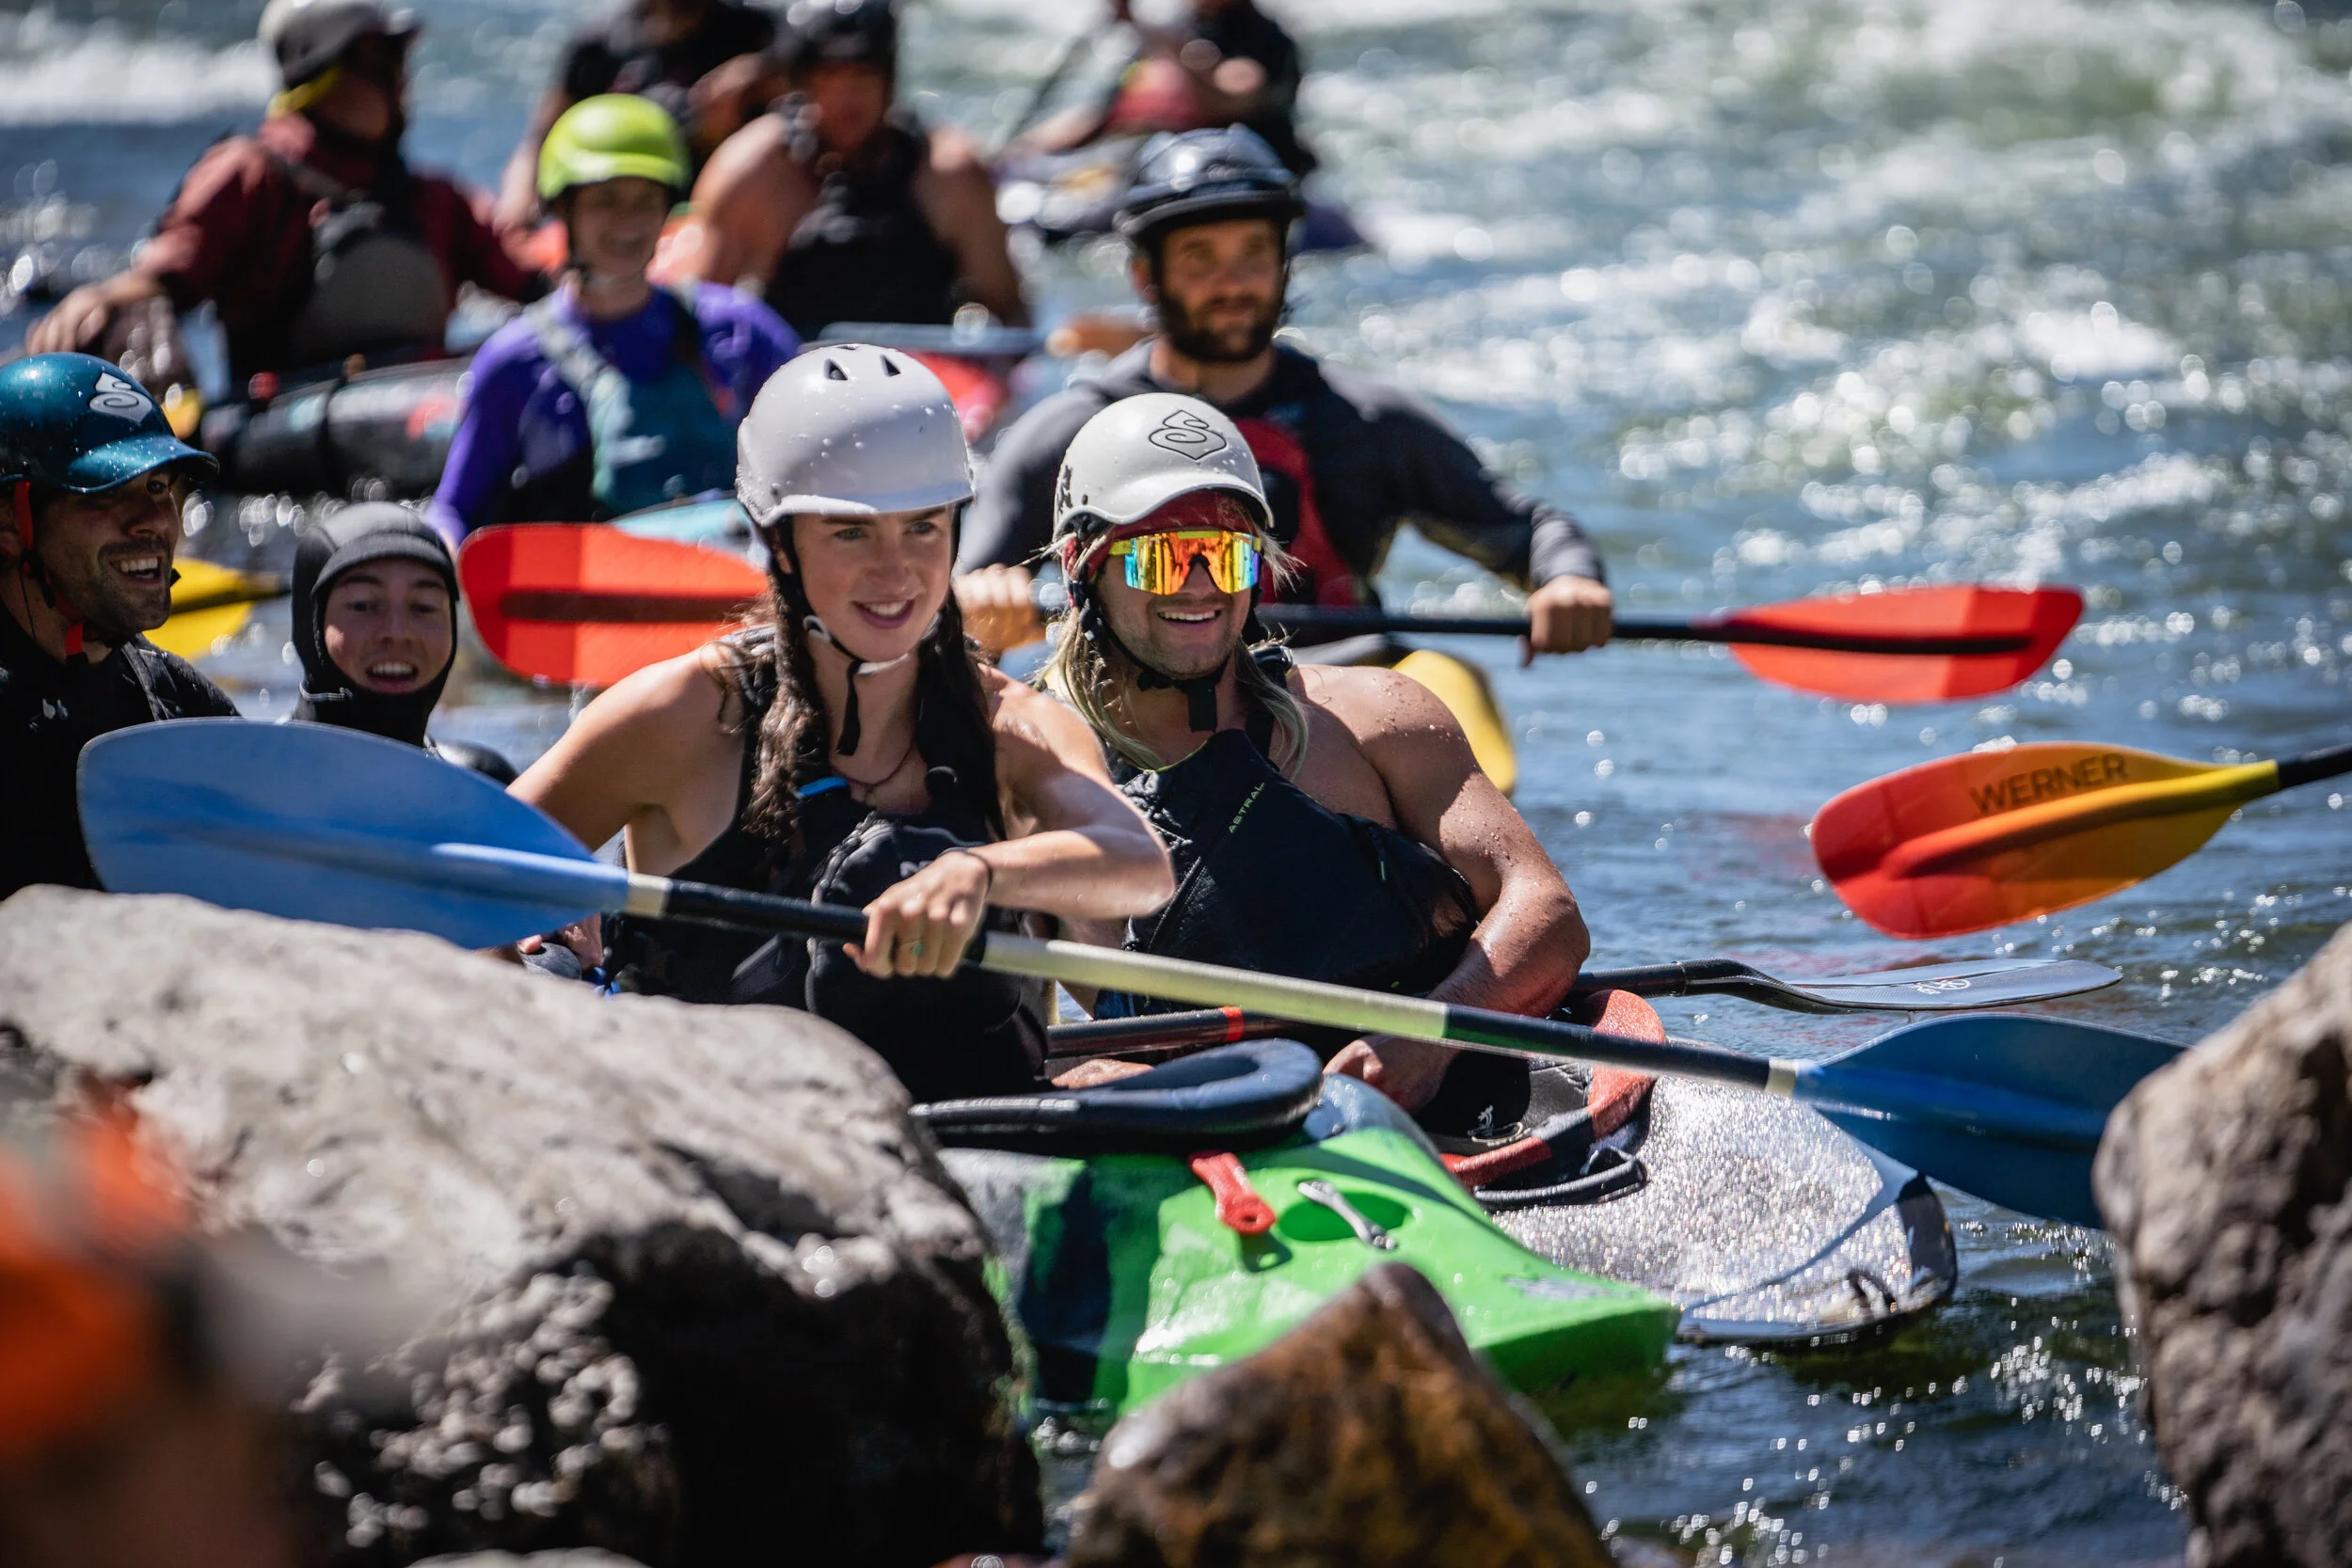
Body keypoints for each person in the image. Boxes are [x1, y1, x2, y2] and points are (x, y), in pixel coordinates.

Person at [510, 344, 1172, 1101]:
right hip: (738, 1148)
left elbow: (1138, 867)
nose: (895, 571)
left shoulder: (1009, 723)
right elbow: (467, 868)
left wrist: (981, 870)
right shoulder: (685, 714)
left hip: (979, 1146)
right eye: (852, 533)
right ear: (781, 546)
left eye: (923, 528)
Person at [1042, 394, 1590, 1119]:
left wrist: (1426, 1041)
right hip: (1191, 1121)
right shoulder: (1029, 772)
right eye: (1164, 559)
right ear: (1082, 566)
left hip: (1443, 1101)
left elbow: (1548, 916)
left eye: (1225, 554)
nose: (1201, 587)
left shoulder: (1375, 717)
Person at [955, 128, 1613, 664]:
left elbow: (1529, 532)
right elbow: (966, 584)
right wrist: (985, 599)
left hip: (1349, 691)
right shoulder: (1076, 430)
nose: (1232, 283)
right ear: (1146, 278)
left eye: (1252, 256)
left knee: (1444, 679)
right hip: (1143, 700)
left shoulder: (1362, 419)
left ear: (1284, 265)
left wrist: (1568, 580)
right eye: (1200, 260)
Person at [26, 0, 539, 388]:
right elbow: (167, 281)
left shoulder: (434, 197)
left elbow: (528, 278)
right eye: (387, 61)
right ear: (335, 69)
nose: (405, 84)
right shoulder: (251, 175)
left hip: (417, 398)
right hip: (285, 416)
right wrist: (102, 298)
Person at [430, 97, 799, 541]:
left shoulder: (741, 328)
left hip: (734, 583)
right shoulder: (513, 363)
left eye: (645, 201)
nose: (628, 221)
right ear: (564, 211)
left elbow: (817, 456)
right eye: (605, 201)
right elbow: (454, 511)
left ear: (667, 211)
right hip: (584, 599)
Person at [0, 354, 237, 902]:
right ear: (10, 522)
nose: (155, 522)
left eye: (159, 488)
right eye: (105, 492)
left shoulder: (178, 704)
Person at [679, 0, 1030, 341]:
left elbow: (1010, 315)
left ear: (889, 79)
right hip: (794, 370)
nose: (848, 96)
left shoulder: (950, 173)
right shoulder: (751, 170)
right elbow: (699, 316)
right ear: (802, 81)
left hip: (920, 371)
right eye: (830, 74)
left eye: (864, 74)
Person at [493, 0, 782, 233]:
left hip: (711, 219)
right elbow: (539, 140)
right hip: (611, 220)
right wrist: (519, 200)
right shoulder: (600, 45)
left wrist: (757, 75)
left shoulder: (761, 38)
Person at [289, 503, 515, 781]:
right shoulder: (246, 774)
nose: (398, 632)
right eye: (363, 605)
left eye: (424, 607)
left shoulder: (484, 786)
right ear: (309, 623)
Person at [1013, 0, 1316, 179]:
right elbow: (1108, 115)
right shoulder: (1176, 30)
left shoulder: (1263, 38)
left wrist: (1171, 48)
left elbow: (1235, 97)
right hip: (1169, 170)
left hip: (1248, 172)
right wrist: (1026, 151)